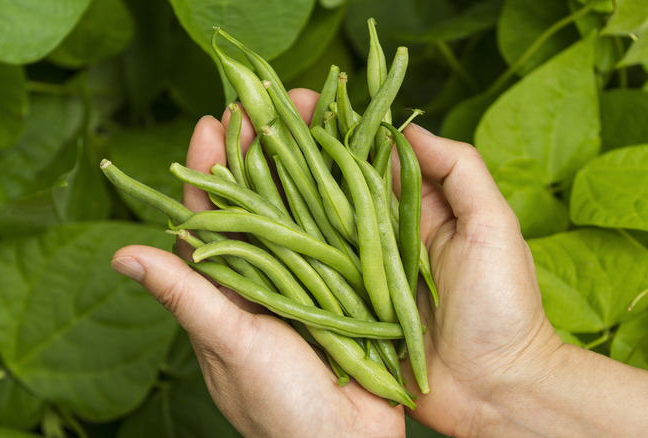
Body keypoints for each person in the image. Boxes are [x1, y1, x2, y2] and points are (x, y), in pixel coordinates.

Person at [111, 89, 648, 437]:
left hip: (393, 333)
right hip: (395, 335)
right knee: (290, 225)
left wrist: (512, 373)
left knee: (332, 205)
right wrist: (515, 374)